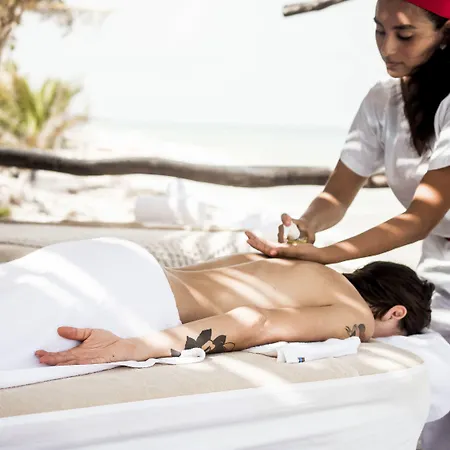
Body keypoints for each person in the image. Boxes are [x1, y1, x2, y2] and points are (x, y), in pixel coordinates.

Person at [244, 1, 450, 448]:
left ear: (446, 34)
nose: (387, 48)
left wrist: (325, 256)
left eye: (405, 35)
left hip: (432, 242)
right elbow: (337, 196)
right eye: (379, 31)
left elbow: (422, 217)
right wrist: (306, 226)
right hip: (439, 263)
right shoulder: (383, 101)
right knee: (429, 400)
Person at [17, 238, 432, 368]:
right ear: (397, 313)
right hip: (127, 297)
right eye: (395, 333)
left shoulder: (298, 264)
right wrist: (131, 347)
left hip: (117, 259)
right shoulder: (357, 318)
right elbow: (255, 322)